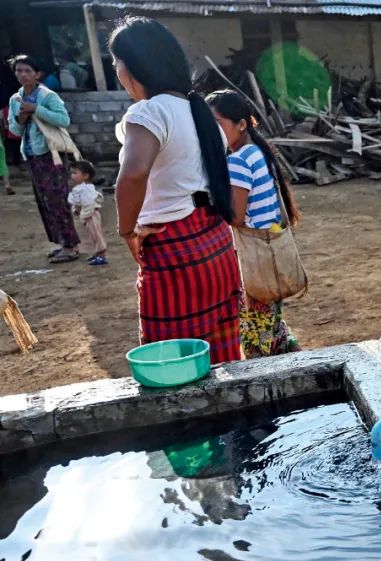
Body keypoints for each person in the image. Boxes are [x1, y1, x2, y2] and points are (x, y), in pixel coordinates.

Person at [110, 17, 242, 364]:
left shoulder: (149, 112)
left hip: (174, 252)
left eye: (116, 62)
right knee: (224, 359)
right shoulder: (200, 114)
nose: (116, 70)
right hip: (216, 244)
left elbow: (133, 174)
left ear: (133, 66)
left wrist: (127, 231)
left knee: (172, 365)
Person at [207, 90, 302, 358]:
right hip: (271, 257)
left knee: (254, 345)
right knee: (275, 330)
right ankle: (311, 366)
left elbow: (235, 217)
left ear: (241, 124)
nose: (213, 131)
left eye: (218, 124)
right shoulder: (257, 152)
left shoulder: (238, 160)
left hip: (254, 264)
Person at [7, 55, 82, 262]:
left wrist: (36, 110)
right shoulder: (16, 99)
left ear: (37, 74)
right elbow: (14, 129)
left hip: (52, 154)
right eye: (19, 70)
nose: (23, 74)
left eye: (27, 71)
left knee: (57, 199)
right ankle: (62, 243)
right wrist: (21, 118)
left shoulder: (47, 96)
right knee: (45, 201)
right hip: (32, 154)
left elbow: (63, 120)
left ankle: (70, 245)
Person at [67, 159, 107, 266]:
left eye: (75, 173)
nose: (72, 175)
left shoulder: (87, 189)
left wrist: (84, 215)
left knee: (96, 234)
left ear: (85, 176)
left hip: (91, 215)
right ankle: (98, 253)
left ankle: (101, 255)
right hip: (87, 214)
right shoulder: (80, 189)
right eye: (72, 173)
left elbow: (90, 203)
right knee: (93, 235)